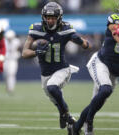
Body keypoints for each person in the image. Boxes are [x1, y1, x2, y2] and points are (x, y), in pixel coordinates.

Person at [67, 0, 119, 135]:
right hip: (100, 62)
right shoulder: (114, 19)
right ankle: (89, 122)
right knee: (105, 89)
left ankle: (75, 129)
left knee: (96, 103)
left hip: (115, 69)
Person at [22, 2, 91, 130]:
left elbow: (87, 45)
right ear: (43, 17)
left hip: (62, 69)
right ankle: (70, 121)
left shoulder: (66, 29)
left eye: (53, 17)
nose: (50, 20)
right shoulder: (36, 29)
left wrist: (80, 41)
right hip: (45, 73)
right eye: (48, 17)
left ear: (59, 18)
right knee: (56, 99)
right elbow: (24, 53)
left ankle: (65, 113)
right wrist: (36, 52)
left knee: (52, 87)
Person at [3, 30, 21, 94]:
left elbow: (19, 49)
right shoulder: (4, 41)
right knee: (5, 74)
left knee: (11, 74)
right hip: (5, 59)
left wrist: (17, 55)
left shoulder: (16, 41)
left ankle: (11, 88)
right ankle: (7, 86)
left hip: (13, 60)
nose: (9, 39)